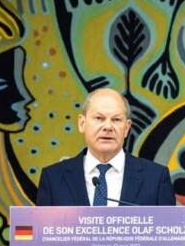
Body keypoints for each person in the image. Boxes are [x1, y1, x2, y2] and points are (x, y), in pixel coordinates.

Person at [37, 88, 176, 207]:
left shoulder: (156, 178)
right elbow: (39, 233)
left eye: (116, 120)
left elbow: (169, 233)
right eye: (99, 118)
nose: (108, 127)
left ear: (127, 128)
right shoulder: (53, 179)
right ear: (82, 123)